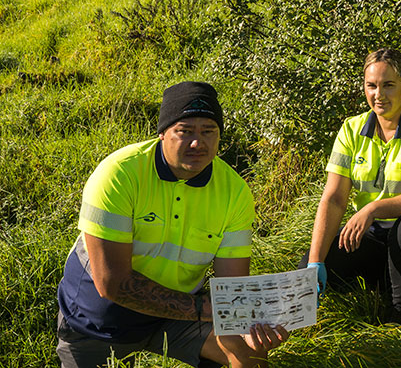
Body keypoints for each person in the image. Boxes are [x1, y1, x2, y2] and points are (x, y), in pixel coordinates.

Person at [56, 82, 288, 368]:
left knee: (248, 350)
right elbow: (112, 283)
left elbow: (232, 286)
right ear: (163, 133)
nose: (197, 142)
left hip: (180, 313)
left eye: (208, 131)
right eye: (185, 131)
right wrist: (208, 309)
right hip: (99, 318)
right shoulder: (118, 174)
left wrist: (249, 322)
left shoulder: (235, 191)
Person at [299, 48, 401, 324]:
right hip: (376, 237)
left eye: (388, 85)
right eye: (371, 86)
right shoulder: (351, 129)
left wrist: (372, 208)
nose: (378, 95)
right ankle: (384, 281)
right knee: (308, 266)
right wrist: (316, 261)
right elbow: (334, 198)